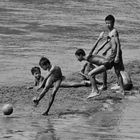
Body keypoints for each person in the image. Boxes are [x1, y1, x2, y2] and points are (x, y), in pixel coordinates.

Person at [95, 15, 126, 94]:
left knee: (104, 66)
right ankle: (121, 89)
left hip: (115, 54)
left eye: (109, 23)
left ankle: (105, 85)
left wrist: (117, 56)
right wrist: (105, 50)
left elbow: (118, 44)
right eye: (106, 23)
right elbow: (111, 44)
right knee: (117, 71)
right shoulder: (110, 32)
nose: (107, 25)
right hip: (113, 53)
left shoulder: (114, 32)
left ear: (113, 23)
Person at [75, 32, 111, 98]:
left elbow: (93, 48)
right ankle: (104, 85)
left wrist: (99, 39)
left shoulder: (88, 57)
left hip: (107, 63)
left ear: (80, 55)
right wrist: (106, 42)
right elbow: (98, 49)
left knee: (90, 74)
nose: (77, 59)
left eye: (77, 57)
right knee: (102, 70)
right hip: (108, 63)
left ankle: (95, 91)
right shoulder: (90, 57)